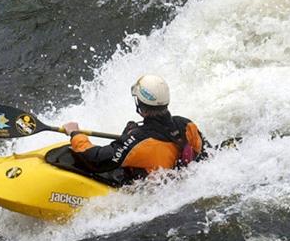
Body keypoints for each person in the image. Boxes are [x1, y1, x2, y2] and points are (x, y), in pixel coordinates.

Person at [62, 74, 205, 183]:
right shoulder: (186, 125)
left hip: (150, 193)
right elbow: (205, 155)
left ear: (142, 108)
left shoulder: (138, 141)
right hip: (177, 184)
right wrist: (130, 135)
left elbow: (97, 160)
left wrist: (75, 134)